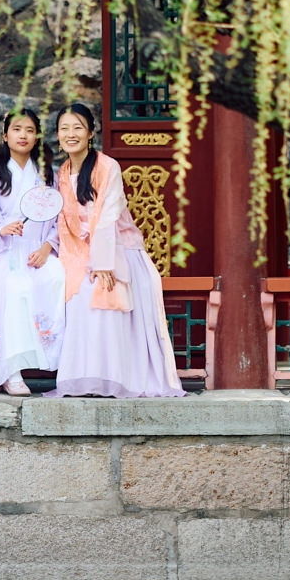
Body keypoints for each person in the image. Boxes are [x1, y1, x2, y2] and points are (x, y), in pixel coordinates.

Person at [44, 103, 185, 398]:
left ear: (91, 132)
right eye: (65, 128)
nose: (71, 134)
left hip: (115, 250)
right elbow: (63, 221)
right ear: (57, 135)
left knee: (99, 295)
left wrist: (102, 262)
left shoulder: (108, 166)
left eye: (78, 127)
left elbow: (108, 215)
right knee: (71, 292)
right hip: (78, 251)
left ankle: (111, 378)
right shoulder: (62, 173)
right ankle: (84, 378)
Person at [0, 107, 64, 395]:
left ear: (37, 136)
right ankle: (11, 370)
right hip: (6, 252)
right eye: (17, 129)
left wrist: (47, 247)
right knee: (15, 289)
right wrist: (0, 229)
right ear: (5, 135)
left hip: (38, 250)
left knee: (56, 277)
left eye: (30, 130)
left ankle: (57, 362)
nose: (23, 135)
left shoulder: (47, 175)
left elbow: (59, 219)